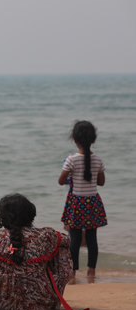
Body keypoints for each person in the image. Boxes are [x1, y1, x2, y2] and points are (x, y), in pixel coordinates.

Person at [0, 194, 73, 310]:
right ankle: (54, 298)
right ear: (31, 215)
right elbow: (67, 241)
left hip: (1, 305)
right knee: (61, 248)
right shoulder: (46, 236)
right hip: (40, 306)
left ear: (2, 217)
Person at [58, 120, 106, 281]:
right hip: (92, 202)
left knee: (75, 239)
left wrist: (71, 175)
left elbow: (61, 180)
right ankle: (91, 272)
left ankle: (72, 272)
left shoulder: (71, 160)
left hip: (76, 203)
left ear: (75, 139)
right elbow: (101, 182)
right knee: (92, 239)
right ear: (93, 140)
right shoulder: (98, 160)